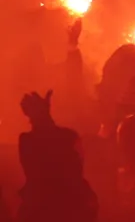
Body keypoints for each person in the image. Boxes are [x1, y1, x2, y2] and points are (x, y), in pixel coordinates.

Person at [16, 90, 98, 222]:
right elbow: (79, 166)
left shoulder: (27, 140)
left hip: (43, 205)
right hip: (70, 203)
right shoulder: (69, 136)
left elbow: (32, 174)